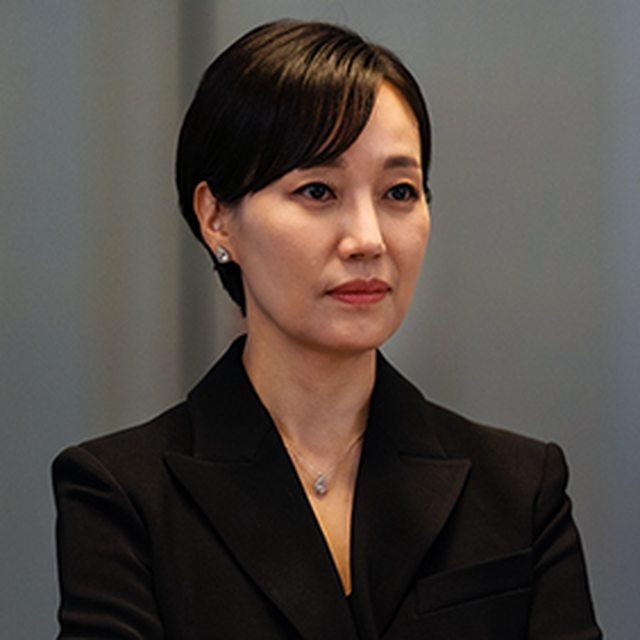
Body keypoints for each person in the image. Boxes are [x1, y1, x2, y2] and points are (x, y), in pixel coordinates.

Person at [52, 19, 602, 639]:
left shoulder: (520, 488)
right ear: (217, 218)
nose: (368, 239)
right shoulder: (122, 496)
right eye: (318, 190)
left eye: (399, 192)